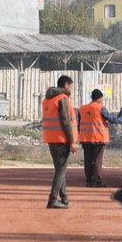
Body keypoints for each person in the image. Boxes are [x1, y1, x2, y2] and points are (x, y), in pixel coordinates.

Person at [41, 76, 77, 208]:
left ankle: (64, 197)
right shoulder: (63, 98)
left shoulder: (47, 99)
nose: (70, 89)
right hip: (62, 139)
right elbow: (65, 121)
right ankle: (53, 199)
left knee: (59, 169)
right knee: (61, 170)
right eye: (70, 86)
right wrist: (72, 141)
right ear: (66, 85)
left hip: (50, 138)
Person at [77, 88, 116, 187]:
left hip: (85, 138)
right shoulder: (100, 108)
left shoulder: (82, 108)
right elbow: (111, 119)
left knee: (88, 159)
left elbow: (79, 124)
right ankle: (97, 180)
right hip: (98, 138)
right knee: (97, 160)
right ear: (99, 98)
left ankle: (89, 180)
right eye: (102, 99)